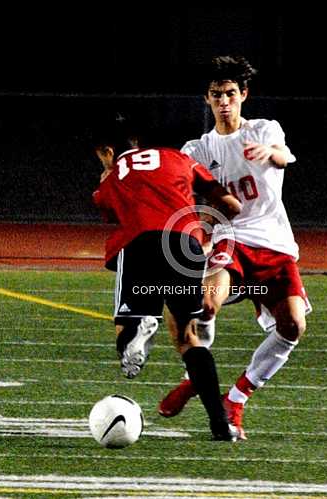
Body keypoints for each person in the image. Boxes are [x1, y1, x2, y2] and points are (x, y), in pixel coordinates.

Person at [158, 56, 312, 440]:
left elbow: (283, 157)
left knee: (293, 326)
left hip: (274, 242)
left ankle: (237, 398)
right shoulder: (195, 149)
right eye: (216, 95)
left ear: (243, 94)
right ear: (207, 100)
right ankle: (195, 375)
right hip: (231, 238)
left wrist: (268, 154)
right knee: (207, 303)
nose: (223, 101)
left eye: (230, 93)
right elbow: (191, 202)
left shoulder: (263, 129)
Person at [91, 114, 242, 441]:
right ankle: (220, 425)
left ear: (106, 151)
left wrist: (106, 178)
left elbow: (109, 209)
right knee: (188, 338)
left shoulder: (115, 172)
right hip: (184, 245)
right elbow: (231, 204)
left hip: (139, 243)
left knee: (125, 328)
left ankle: (136, 331)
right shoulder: (181, 158)